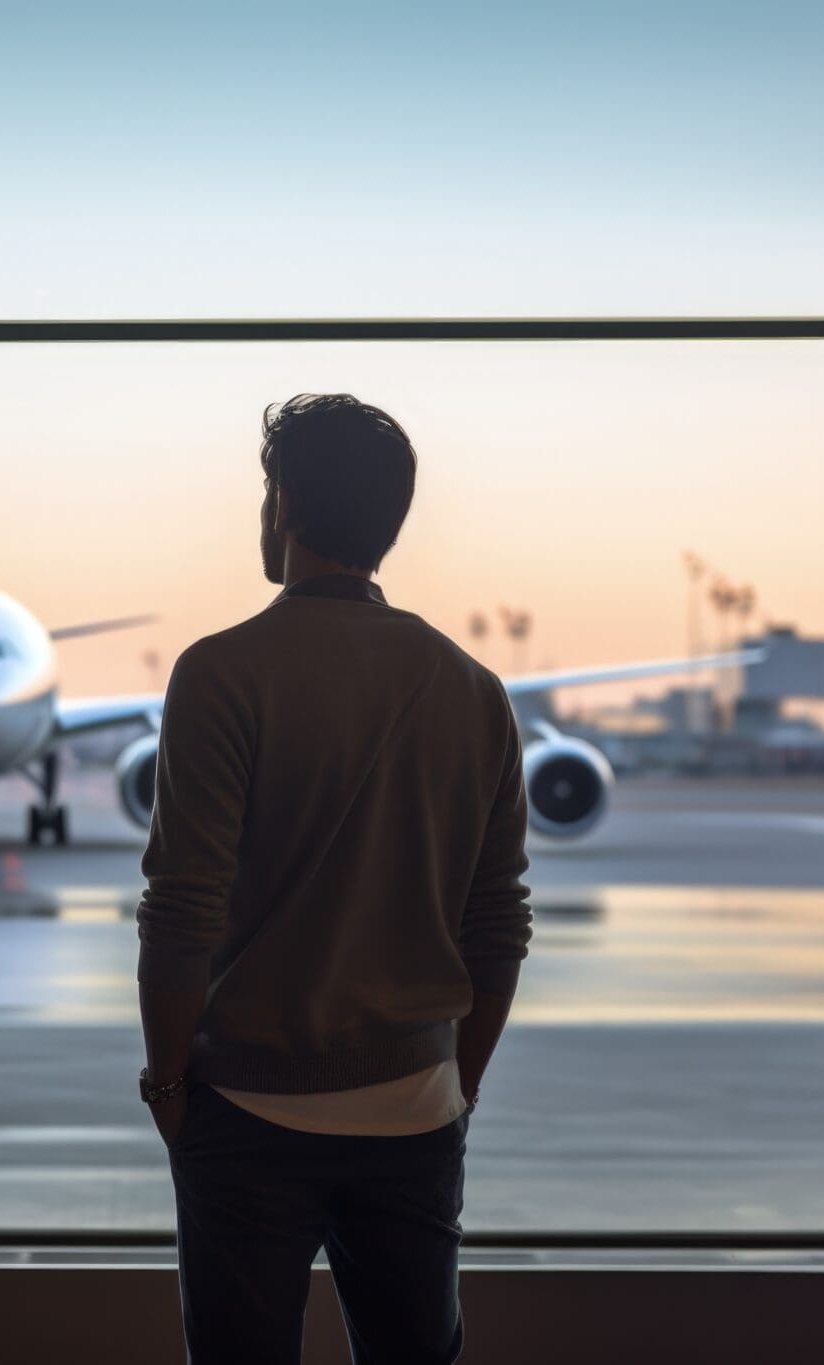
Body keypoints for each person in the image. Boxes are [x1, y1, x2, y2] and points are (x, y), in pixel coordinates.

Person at [137, 394, 532, 1364]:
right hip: (413, 1103)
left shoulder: (220, 673)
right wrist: (455, 1085)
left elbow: (180, 910)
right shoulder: (471, 689)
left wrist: (169, 1084)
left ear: (280, 503)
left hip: (245, 1107)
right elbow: (496, 925)